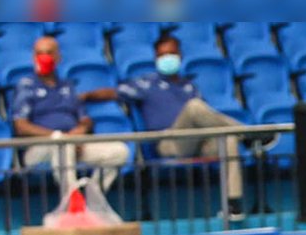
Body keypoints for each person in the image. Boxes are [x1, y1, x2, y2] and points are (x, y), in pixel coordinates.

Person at [87, 33, 270, 222]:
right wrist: (85, 96)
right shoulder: (147, 84)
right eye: (162, 55)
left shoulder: (190, 87)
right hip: (169, 143)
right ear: (156, 58)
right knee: (194, 107)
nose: (167, 59)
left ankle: (233, 204)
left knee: (228, 138)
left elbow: (207, 119)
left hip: (197, 142)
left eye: (171, 54)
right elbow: (113, 92)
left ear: (180, 55)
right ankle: (248, 135)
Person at [12, 36, 130, 196]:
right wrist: (58, 136)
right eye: (39, 53)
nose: (44, 57)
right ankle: (72, 200)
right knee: (62, 143)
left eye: (49, 52)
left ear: (58, 57)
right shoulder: (26, 86)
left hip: (74, 143)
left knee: (119, 151)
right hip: (39, 149)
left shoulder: (68, 86)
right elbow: (21, 126)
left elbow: (85, 120)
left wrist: (79, 132)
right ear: (33, 58)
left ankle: (93, 196)